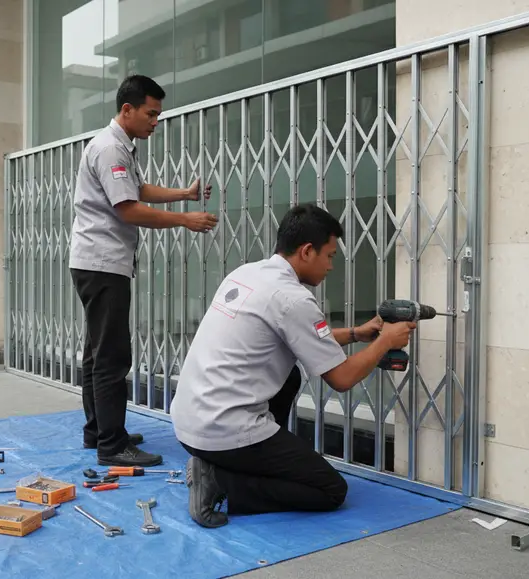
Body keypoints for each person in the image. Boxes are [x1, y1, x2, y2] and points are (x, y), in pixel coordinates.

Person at [170, 204, 417, 528]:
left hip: (189, 422)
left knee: (290, 376)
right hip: (223, 430)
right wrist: (385, 342)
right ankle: (222, 482)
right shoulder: (293, 299)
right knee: (330, 490)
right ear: (306, 251)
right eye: (329, 256)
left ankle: (229, 463)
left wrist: (359, 333)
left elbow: (301, 337)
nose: (330, 266)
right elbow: (341, 378)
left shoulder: (246, 273)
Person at [69, 74, 219, 468]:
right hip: (103, 264)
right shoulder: (110, 150)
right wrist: (185, 220)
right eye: (151, 114)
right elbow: (129, 208)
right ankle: (112, 446)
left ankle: (99, 430)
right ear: (127, 110)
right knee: (112, 357)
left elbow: (138, 189)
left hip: (95, 263)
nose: (156, 121)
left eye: (158, 115)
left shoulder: (120, 148)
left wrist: (183, 194)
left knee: (97, 352)